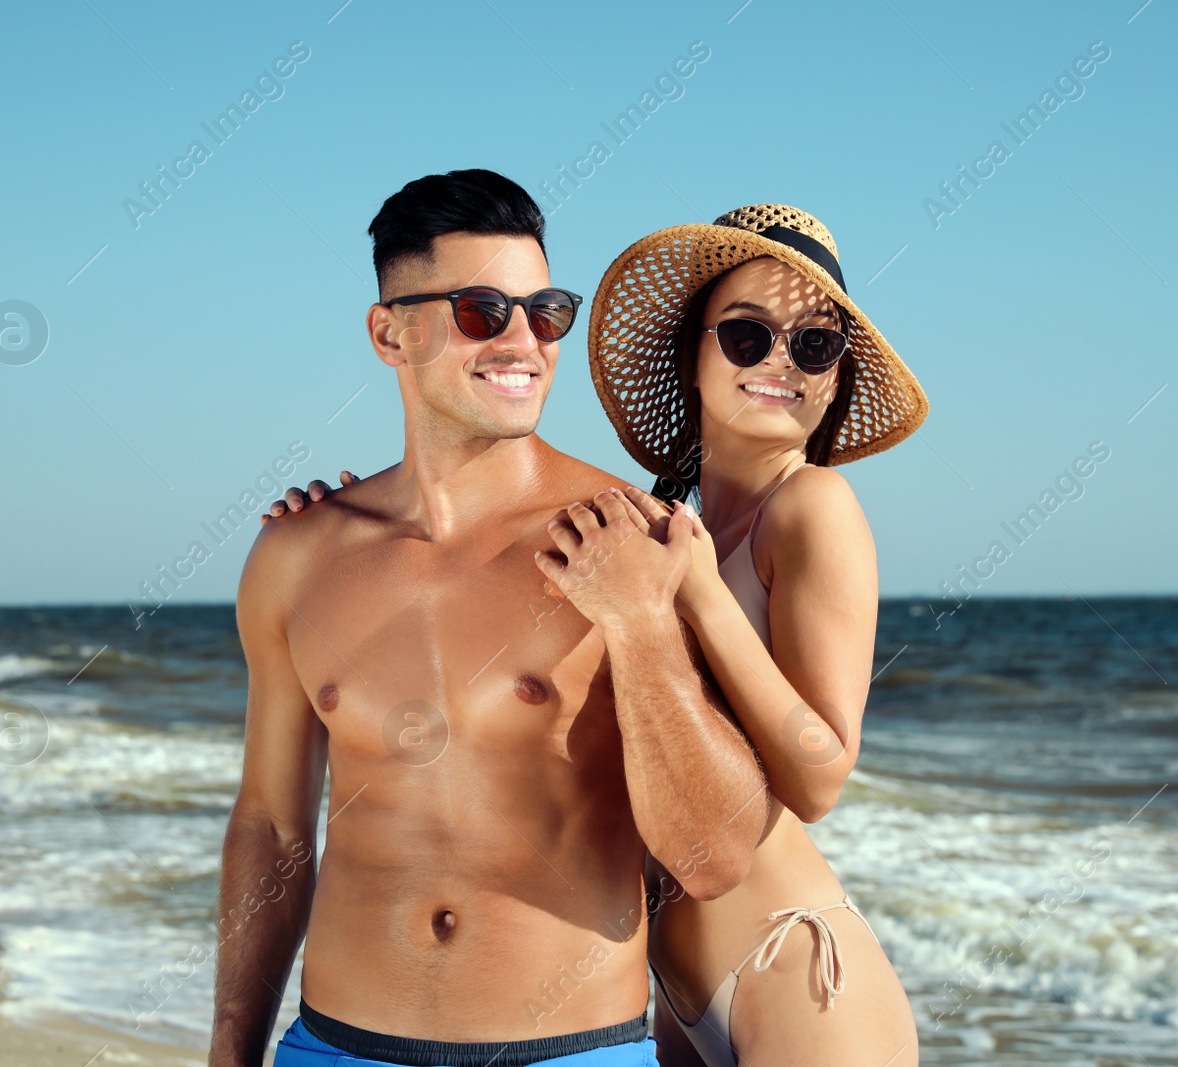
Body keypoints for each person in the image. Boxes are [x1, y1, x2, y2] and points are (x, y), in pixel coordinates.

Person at [269, 204, 929, 1066]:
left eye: (814, 345)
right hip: (675, 985)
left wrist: (693, 594)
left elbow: (821, 773)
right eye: (746, 336)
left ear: (836, 377)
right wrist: (358, 523)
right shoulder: (672, 526)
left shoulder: (812, 506)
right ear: (692, 354)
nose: (779, 363)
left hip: (790, 966)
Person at [211, 169, 768, 1067]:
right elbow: (271, 826)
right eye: (482, 309)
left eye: (543, 311)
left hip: (568, 1048)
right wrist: (231, 1051)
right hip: (334, 1047)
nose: (523, 341)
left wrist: (640, 625)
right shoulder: (297, 556)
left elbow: (714, 856)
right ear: (391, 332)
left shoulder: (635, 539)